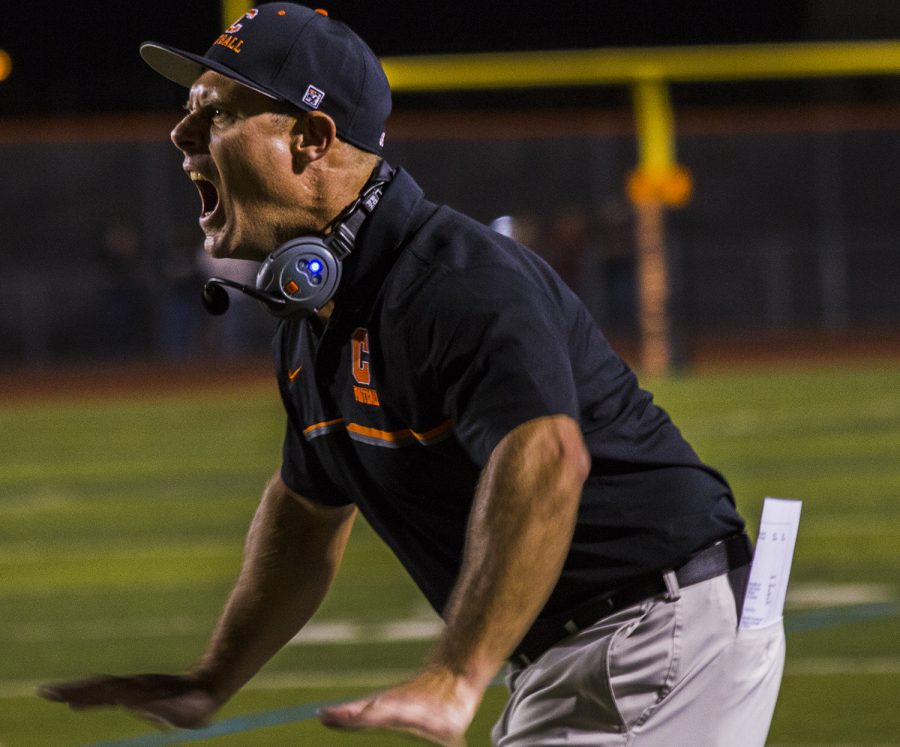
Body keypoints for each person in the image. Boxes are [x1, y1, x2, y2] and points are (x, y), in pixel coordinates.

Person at [38, 4, 786, 745]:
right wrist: (212, 679)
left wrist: (455, 675)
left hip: (661, 627)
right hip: (597, 645)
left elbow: (548, 456)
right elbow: (305, 517)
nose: (182, 134)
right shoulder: (319, 317)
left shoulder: (454, 279)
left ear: (312, 137)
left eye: (218, 114)